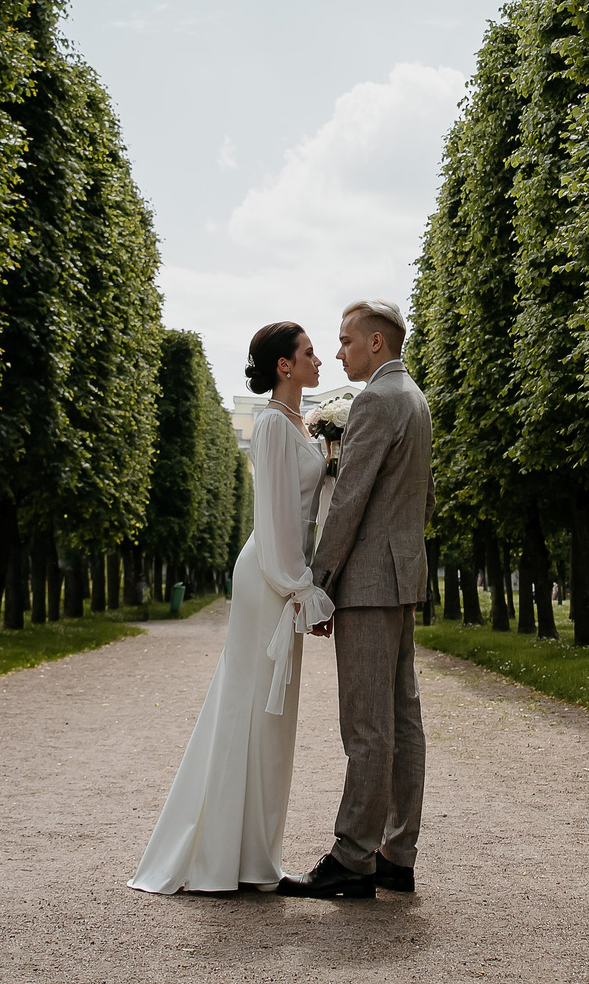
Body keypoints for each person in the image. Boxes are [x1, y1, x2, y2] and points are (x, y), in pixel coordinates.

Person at [128, 321, 335, 894]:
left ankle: (254, 857)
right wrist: (299, 586)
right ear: (283, 367)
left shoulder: (301, 424)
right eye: (309, 353)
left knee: (272, 716)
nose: (319, 360)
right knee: (251, 709)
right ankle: (229, 859)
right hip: (269, 577)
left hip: (283, 575)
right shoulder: (271, 424)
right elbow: (272, 519)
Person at [277, 299, 433, 900]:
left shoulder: (375, 400)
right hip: (401, 578)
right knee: (401, 718)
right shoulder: (413, 399)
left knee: (366, 723)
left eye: (345, 341)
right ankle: (397, 852)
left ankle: (352, 857)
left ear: (376, 343)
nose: (338, 352)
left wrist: (320, 581)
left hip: (368, 584)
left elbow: (348, 503)